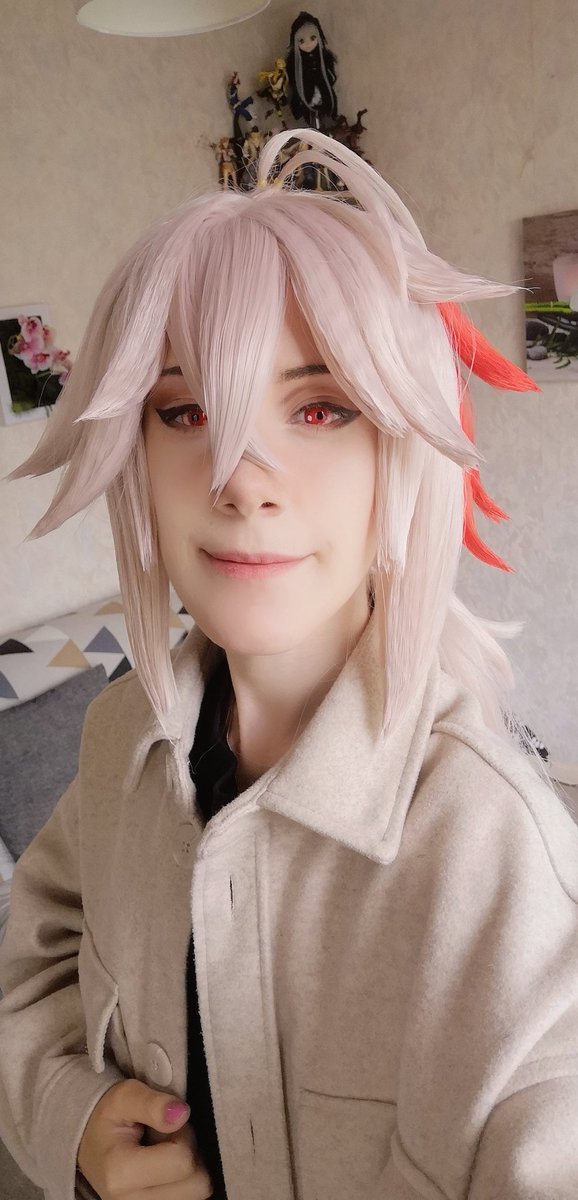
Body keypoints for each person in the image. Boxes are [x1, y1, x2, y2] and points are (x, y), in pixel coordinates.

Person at [0, 128, 577, 1200]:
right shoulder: (119, 738)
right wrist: (70, 1118)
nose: (240, 479)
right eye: (185, 411)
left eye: (318, 409)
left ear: (397, 451)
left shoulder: (494, 853)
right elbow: (30, 961)